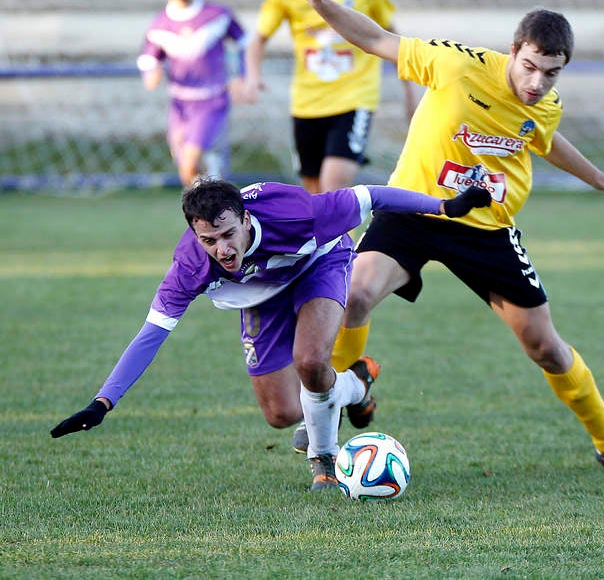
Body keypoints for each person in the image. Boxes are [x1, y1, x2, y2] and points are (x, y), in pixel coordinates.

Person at [299, 0, 604, 471]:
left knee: (545, 347)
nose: (538, 83)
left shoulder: (545, 105)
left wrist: (601, 179)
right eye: (530, 67)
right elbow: (377, 38)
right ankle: (340, 396)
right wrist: (322, 3)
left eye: (552, 73)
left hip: (487, 230)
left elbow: (544, 138)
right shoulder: (455, 65)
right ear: (512, 51)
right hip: (413, 212)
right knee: (354, 293)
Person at [50, 177, 490, 492]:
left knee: (312, 362)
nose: (221, 248)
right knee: (281, 414)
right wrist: (103, 402)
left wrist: (444, 207)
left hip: (318, 264)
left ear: (245, 218)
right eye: (207, 240)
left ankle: (324, 461)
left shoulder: (293, 212)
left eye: (227, 234)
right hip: (259, 296)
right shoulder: (190, 265)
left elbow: (373, 195)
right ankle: (357, 385)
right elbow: (151, 334)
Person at [242, 0, 415, 194]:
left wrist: (409, 93)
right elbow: (258, 38)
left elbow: (394, 40)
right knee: (314, 195)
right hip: (307, 102)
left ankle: (352, 240)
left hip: (354, 97)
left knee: (334, 185)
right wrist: (251, 76)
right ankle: (334, 240)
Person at [137, 0, 247, 186]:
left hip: (211, 101)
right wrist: (151, 75)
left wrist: (240, 76)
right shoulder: (160, 25)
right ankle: (215, 190)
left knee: (189, 163)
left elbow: (245, 42)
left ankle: (208, 210)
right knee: (189, 173)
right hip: (179, 105)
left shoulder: (216, 16)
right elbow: (149, 60)